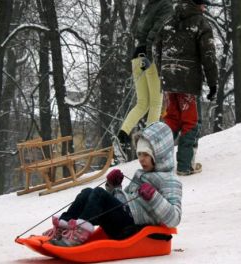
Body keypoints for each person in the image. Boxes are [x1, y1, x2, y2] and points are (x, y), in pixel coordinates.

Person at [44, 122, 182, 247]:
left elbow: (174, 218)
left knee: (98, 193)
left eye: (145, 154)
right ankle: (63, 227)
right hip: (123, 219)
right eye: (139, 154)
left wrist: (154, 197)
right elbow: (127, 201)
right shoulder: (141, 173)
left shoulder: (170, 180)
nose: (141, 159)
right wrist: (114, 187)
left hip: (132, 227)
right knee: (87, 192)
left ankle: (79, 235)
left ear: (160, 154)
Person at [155, 0, 218, 176]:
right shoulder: (201, 23)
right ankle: (185, 165)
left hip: (168, 78)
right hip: (187, 81)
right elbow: (208, 54)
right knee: (190, 122)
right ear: (197, 5)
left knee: (171, 119)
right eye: (203, 4)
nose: (205, 7)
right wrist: (213, 82)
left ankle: (158, 160)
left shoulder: (168, 22)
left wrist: (163, 71)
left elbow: (156, 47)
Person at [117, 0, 174, 152]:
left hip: (136, 56)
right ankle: (149, 143)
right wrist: (149, 54)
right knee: (155, 102)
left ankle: (122, 135)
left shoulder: (149, 6)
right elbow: (156, 33)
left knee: (142, 103)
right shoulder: (167, 6)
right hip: (150, 56)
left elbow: (138, 31)